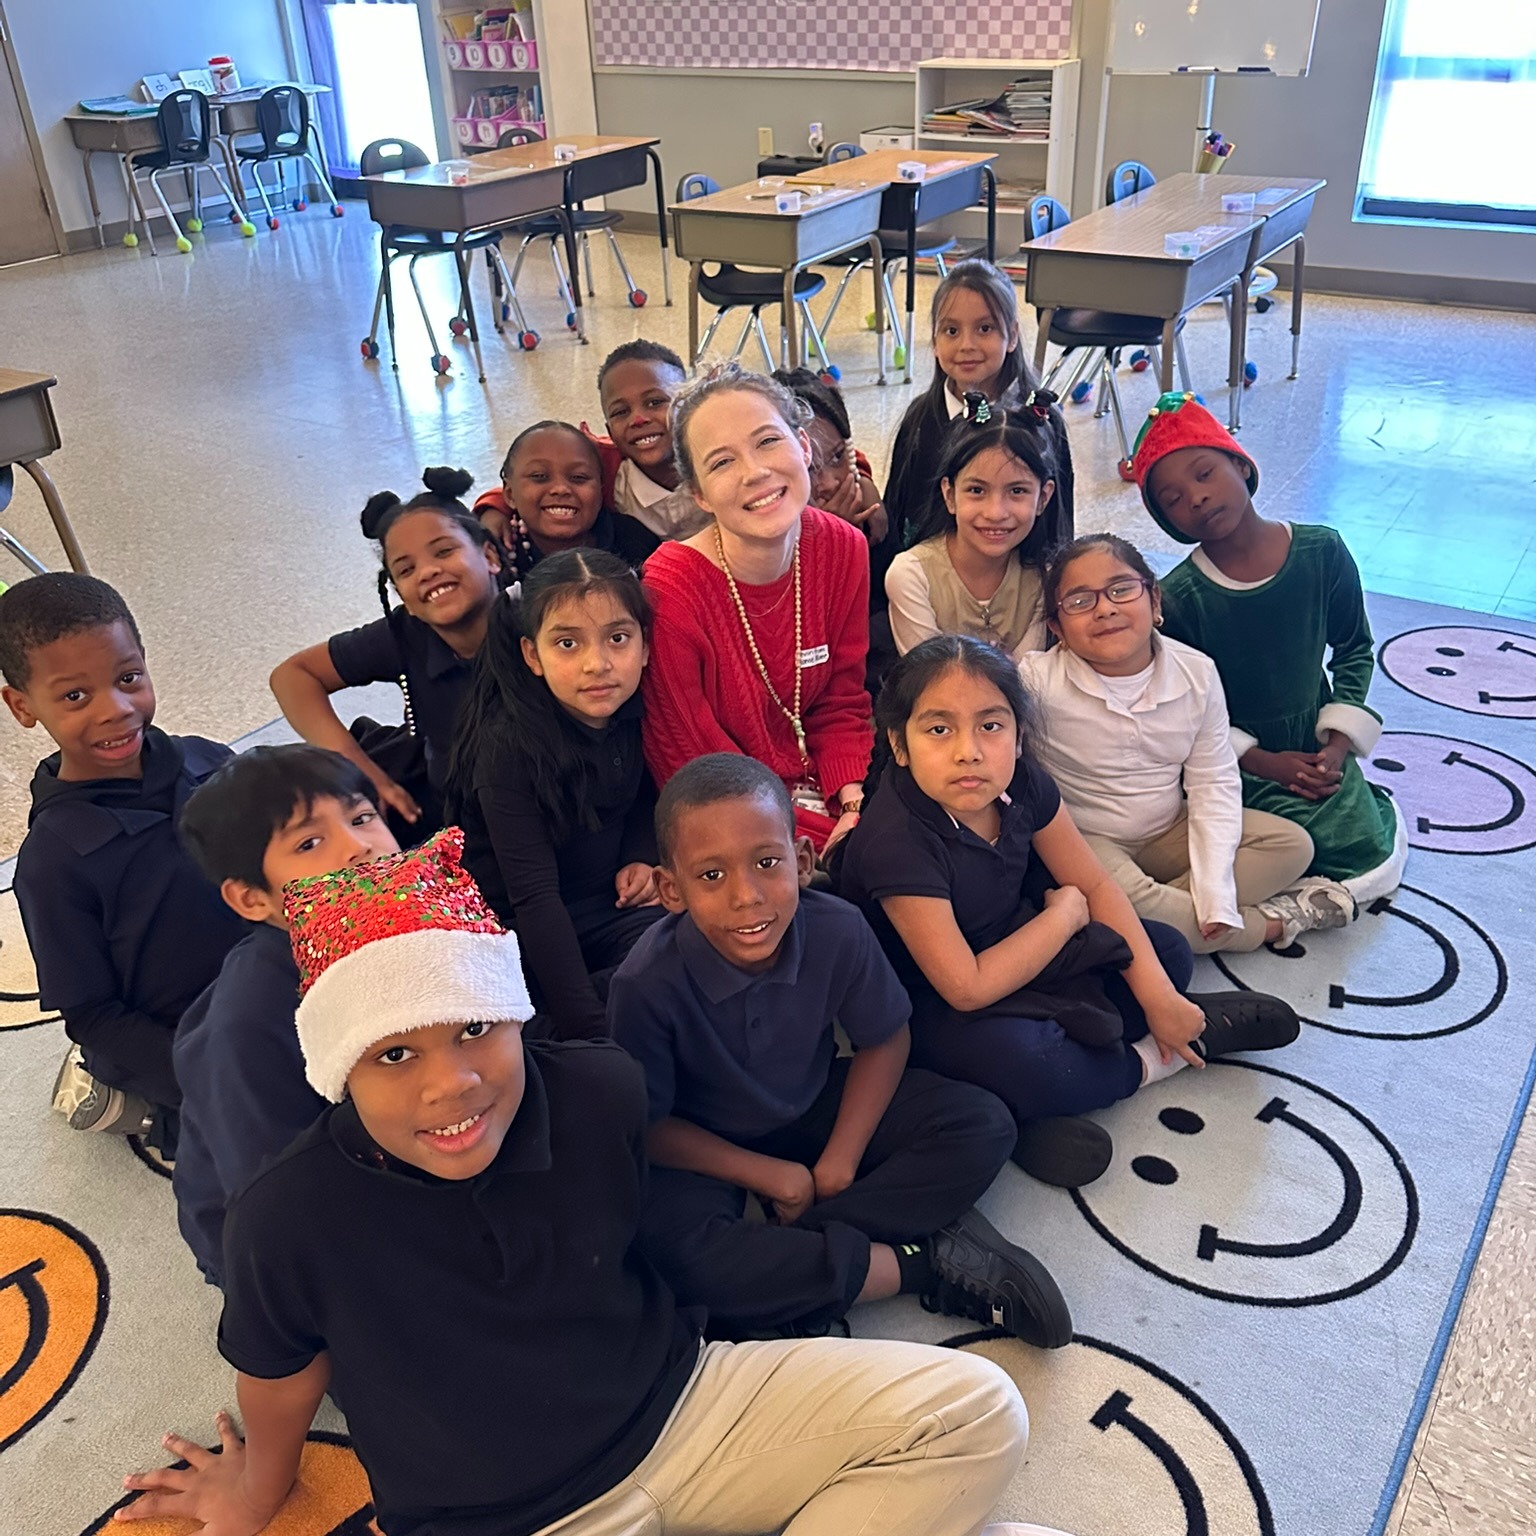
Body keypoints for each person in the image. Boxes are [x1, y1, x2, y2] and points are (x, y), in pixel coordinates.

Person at [116, 829, 1035, 1536]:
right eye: (395, 1053)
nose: (451, 1083)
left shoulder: (601, 1089)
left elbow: (641, 1238)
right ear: (339, 1066)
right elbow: (282, 1377)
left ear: (518, 1015)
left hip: (682, 1407)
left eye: (476, 1027)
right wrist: (256, 1487)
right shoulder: (287, 1214)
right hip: (500, 1517)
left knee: (977, 1408)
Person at [609, 753, 1071, 1347]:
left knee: (981, 1126)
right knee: (671, 1260)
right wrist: (772, 1177)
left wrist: (837, 1165)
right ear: (671, 890)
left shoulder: (838, 929)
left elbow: (885, 1039)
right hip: (707, 1145)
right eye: (712, 877)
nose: (747, 897)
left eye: (767, 863)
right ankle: (917, 1263)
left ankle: (802, 1259)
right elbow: (650, 1130)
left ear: (801, 862)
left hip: (811, 1105)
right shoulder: (644, 984)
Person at [836, 636, 1299, 1189]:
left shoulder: (1021, 781)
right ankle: (1158, 1058)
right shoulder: (895, 840)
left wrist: (1157, 995)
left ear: (1019, 732)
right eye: (939, 729)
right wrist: (1062, 918)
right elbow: (965, 986)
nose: (969, 751)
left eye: (991, 726)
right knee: (1034, 1065)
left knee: (1167, 953)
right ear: (901, 743)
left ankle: (1064, 1086)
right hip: (932, 1002)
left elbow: (1095, 883)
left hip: (1021, 945)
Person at [0, 573, 245, 1155]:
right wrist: (205, 1075)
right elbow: (92, 1012)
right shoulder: (52, 863)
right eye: (75, 696)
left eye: (128, 678)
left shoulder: (213, 763)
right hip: (175, 1041)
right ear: (22, 706)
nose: (115, 709)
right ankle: (121, 1103)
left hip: (267, 992)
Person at [1131, 393, 1408, 901]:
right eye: (1171, 499)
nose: (1194, 497)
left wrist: (1337, 745)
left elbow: (1353, 648)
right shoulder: (1179, 600)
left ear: (1240, 463)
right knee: (1294, 846)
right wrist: (1260, 760)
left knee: (1362, 842)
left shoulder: (1322, 551)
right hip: (1235, 757)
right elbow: (1185, 708)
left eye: (1204, 473)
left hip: (1316, 740)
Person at [1023, 534, 1355, 953]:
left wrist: (1215, 889)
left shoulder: (1196, 673)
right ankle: (1270, 923)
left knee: (1292, 846)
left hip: (1168, 825)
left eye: (1122, 590)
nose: (1105, 608)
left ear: (1155, 601)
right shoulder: (1035, 681)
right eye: (1079, 601)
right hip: (1086, 838)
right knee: (1120, 896)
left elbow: (1213, 780)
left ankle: (1149, 917)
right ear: (1057, 628)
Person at [173, 745, 399, 1286]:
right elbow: (271, 1198)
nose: (359, 848)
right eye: (309, 842)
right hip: (292, 1225)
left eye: (362, 817)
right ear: (253, 900)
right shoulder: (247, 1025)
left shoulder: (407, 922)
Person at [642, 364, 873, 853]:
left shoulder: (844, 547)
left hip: (829, 800)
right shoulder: (671, 591)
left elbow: (842, 699)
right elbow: (693, 766)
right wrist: (823, 841)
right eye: (722, 462)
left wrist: (853, 805)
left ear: (804, 447)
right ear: (699, 494)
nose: (755, 472)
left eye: (768, 441)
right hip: (733, 826)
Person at [448, 550, 665, 1041]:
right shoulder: (507, 748)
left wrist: (639, 856)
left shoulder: (636, 709)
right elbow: (535, 898)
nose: (598, 664)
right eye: (568, 643)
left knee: (691, 948)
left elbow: (641, 799)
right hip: (518, 930)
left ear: (645, 645)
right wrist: (587, 1029)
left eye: (618, 638)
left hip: (609, 907)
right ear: (533, 656)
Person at [269, 467, 504, 837]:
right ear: (400, 595)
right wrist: (365, 773)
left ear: (491, 556)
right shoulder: (406, 634)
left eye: (444, 551)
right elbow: (292, 677)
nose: (427, 572)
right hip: (459, 825)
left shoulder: (543, 617)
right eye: (406, 569)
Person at [876, 260, 1075, 595]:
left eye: (984, 329)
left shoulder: (1043, 419)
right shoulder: (921, 418)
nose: (966, 345)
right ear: (935, 341)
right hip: (932, 593)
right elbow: (900, 520)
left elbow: (1059, 527)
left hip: (1023, 597)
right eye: (951, 331)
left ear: (1011, 335)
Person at [886, 393, 1069, 664]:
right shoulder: (911, 576)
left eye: (1017, 490)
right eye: (976, 490)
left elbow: (1028, 685)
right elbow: (930, 682)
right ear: (949, 495)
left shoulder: (1045, 577)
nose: (995, 513)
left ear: (1043, 497)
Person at [473, 420, 660, 581]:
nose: (560, 489)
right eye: (539, 476)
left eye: (579, 477)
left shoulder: (635, 542)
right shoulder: (497, 556)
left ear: (601, 489)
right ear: (510, 494)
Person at [598, 339, 711, 540]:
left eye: (655, 402)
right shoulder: (610, 485)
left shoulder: (722, 463)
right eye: (621, 412)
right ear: (610, 431)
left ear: (687, 407)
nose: (638, 419)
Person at [773, 366, 888, 548]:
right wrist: (834, 534)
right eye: (809, 468)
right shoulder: (768, 540)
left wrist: (864, 481)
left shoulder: (868, 515)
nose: (829, 483)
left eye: (837, 457)